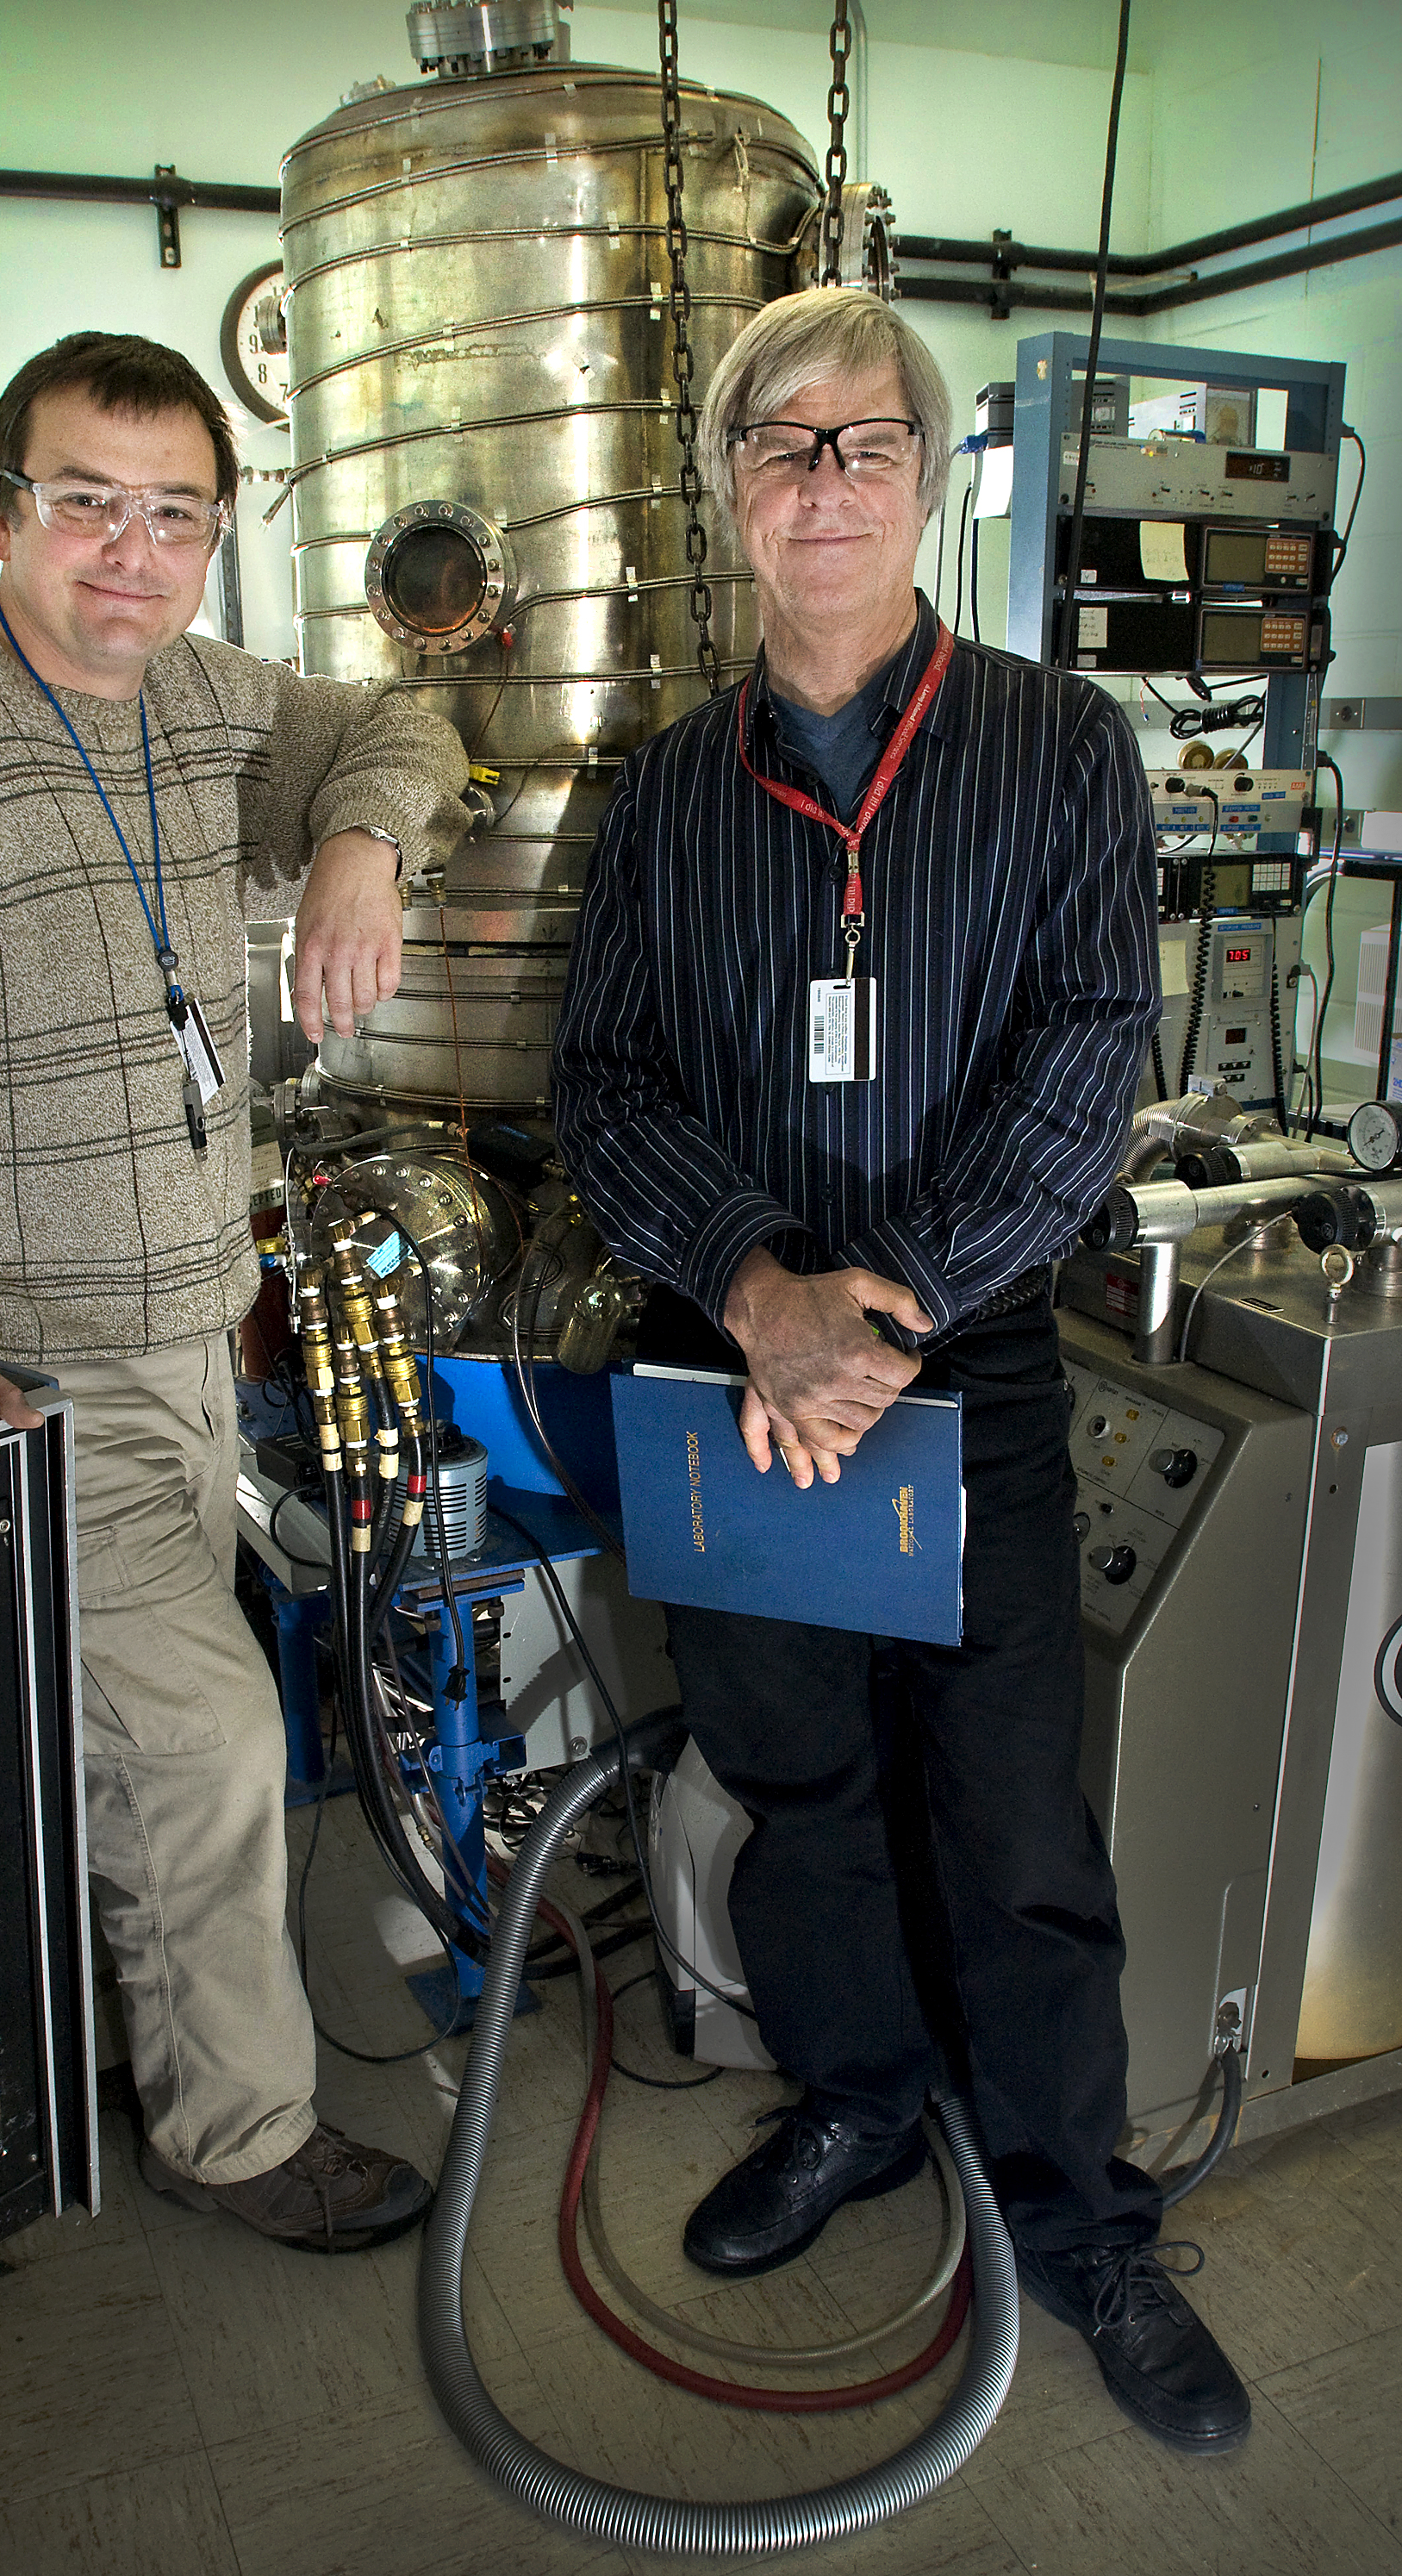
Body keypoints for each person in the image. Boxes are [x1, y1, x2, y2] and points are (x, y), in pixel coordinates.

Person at [551, 288, 1249, 2450]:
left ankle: (1074, 2205)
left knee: (1009, 1810)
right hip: (731, 1379)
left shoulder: (1057, 752)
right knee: (800, 1789)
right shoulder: (667, 792)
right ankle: (855, 2102)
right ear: (728, 496)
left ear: (927, 479)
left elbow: (1079, 1064)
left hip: (967, 1382)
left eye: (864, 443)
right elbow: (605, 1083)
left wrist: (884, 1306)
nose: (823, 482)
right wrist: (758, 1289)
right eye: (780, 447)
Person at [0, 329, 472, 2255]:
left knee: (141, 1744)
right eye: (85, 505)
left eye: (177, 518)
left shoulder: (205, 698)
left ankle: (138, 2023)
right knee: (206, 1742)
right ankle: (235, 2131)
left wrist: (363, 850)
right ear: (0, 509)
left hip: (188, 1333)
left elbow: (401, 725)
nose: (129, 556)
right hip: (25, 1361)